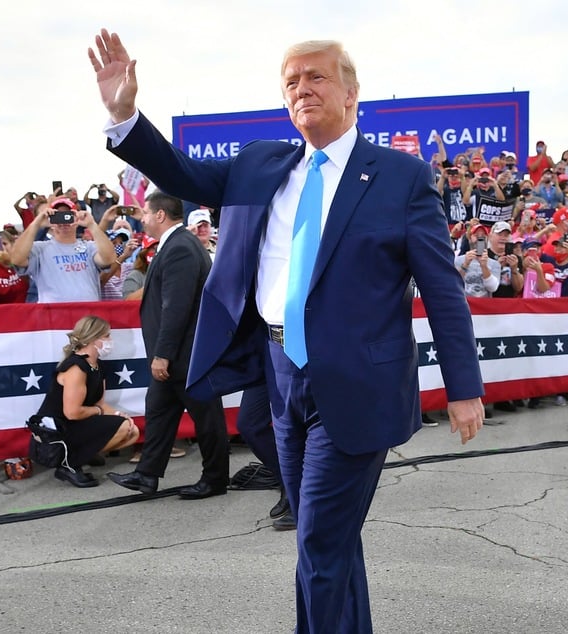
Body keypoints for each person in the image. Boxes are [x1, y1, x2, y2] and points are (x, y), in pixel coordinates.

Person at [89, 31, 484, 632]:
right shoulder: (259, 165)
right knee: (329, 538)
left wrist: (463, 386)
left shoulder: (401, 178)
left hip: (357, 383)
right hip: (279, 377)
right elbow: (181, 171)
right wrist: (123, 116)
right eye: (291, 81)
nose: (302, 88)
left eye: (316, 77)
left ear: (353, 93)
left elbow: (442, 289)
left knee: (319, 543)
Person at [104, 192, 230, 499]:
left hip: (184, 355)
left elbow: (177, 306)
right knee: (158, 411)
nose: (142, 219)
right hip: (176, 354)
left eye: (146, 213)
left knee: (206, 416)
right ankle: (147, 475)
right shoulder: (174, 245)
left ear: (160, 215)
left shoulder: (181, 248)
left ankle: (215, 479)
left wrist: (163, 354)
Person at [32, 315, 140, 487]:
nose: (110, 341)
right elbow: (72, 412)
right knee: (124, 428)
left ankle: (82, 455)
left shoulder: (98, 366)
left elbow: (100, 403)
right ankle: (70, 464)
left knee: (132, 432)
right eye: (106, 336)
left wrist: (120, 414)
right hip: (56, 432)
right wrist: (99, 412)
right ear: (92, 339)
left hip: (76, 423)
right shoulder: (76, 367)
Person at [8, 197, 116, 303]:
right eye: (58, 216)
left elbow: (109, 259)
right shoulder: (40, 249)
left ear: (76, 217)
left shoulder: (89, 247)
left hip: (86, 316)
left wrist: (91, 225)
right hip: (54, 316)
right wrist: (36, 224)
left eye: (68, 215)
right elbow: (17, 259)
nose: (64, 221)